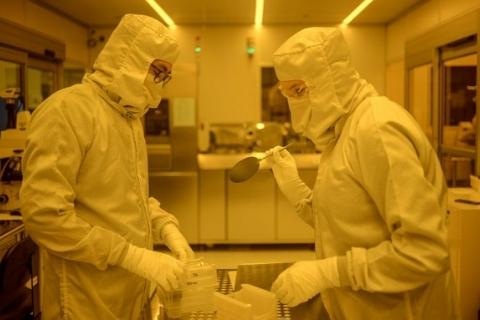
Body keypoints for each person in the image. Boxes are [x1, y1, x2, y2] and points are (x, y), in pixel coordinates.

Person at [266, 28, 459, 319]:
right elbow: (349, 224)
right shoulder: (342, 132)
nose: (295, 106)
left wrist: (329, 272)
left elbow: (425, 251)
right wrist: (297, 191)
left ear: (329, 78)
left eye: (299, 90)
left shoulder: (376, 129)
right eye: (287, 93)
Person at [20, 14, 194, 320]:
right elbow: (45, 216)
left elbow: (130, 198)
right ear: (131, 60)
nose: (160, 84)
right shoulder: (68, 111)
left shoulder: (128, 119)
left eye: (166, 76)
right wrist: (130, 255)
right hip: (84, 297)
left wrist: (166, 227)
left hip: (131, 293)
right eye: (158, 72)